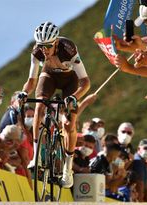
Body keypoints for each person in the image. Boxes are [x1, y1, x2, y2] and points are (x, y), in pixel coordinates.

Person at [20, 21, 91, 188]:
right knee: (39, 106)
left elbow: (85, 82)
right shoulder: (37, 52)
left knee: (68, 124)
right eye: (41, 46)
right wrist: (24, 93)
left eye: (48, 46)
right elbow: (31, 81)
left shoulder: (68, 49)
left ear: (56, 43)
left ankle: (67, 168)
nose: (44, 50)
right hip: (49, 76)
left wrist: (74, 97)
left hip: (70, 81)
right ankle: (36, 156)